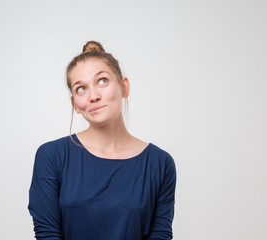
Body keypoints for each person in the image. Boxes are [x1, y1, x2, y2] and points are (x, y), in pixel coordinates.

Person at [28, 41, 177, 240]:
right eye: (81, 88)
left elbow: (160, 235)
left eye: (102, 81)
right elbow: (47, 234)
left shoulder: (160, 163)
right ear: (75, 104)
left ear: (124, 87)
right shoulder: (51, 156)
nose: (93, 96)